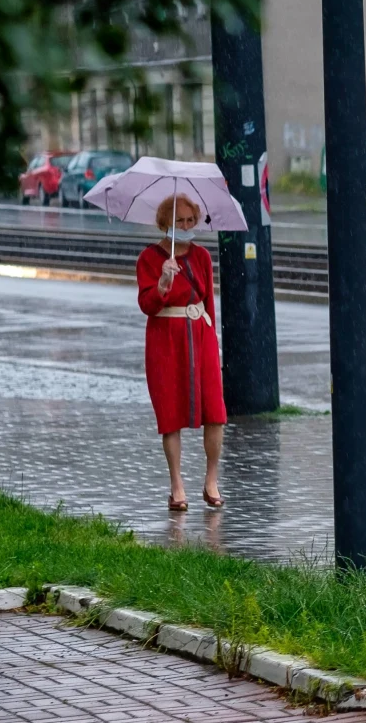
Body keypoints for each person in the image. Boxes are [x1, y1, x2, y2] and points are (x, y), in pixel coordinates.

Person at [135, 195, 226, 511]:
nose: (186, 226)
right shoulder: (149, 258)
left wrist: (213, 341)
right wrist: (162, 282)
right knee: (170, 414)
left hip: (200, 337)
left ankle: (211, 479)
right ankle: (176, 485)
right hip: (166, 341)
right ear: (164, 224)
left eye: (190, 220)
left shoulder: (201, 256)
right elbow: (146, 305)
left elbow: (209, 303)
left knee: (215, 411)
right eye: (179, 221)